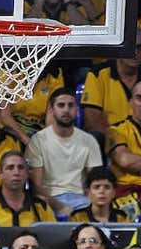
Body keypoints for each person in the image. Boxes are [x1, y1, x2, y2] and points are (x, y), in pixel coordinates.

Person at [26, 87, 104, 216]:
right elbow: (37, 186)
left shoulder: (89, 141)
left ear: (77, 109)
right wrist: (60, 206)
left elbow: (95, 180)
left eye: (71, 105)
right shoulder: (37, 141)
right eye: (61, 105)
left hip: (82, 200)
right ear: (51, 110)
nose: (66, 110)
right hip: (50, 201)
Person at [82, 29, 141, 132]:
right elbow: (92, 122)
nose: (134, 52)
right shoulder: (97, 75)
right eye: (129, 47)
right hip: (110, 139)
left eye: (139, 48)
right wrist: (118, 143)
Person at [0, 151, 57, 227]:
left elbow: (51, 239)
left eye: (21, 168)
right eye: (10, 168)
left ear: (26, 174)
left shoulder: (41, 206)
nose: (16, 173)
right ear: (1, 174)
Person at [69, 166, 141, 222]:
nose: (102, 191)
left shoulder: (122, 218)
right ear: (88, 192)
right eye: (96, 187)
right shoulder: (77, 217)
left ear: (113, 192)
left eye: (107, 187)